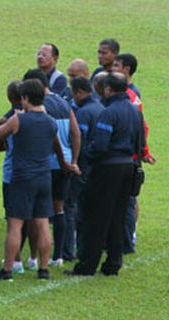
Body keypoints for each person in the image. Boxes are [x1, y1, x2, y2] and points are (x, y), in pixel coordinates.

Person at [0, 79, 77, 281]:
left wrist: (12, 121)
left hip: (22, 177)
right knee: (43, 223)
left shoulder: (18, 119)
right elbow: (56, 144)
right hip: (44, 177)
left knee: (15, 224)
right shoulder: (50, 121)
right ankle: (44, 268)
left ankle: (8, 269)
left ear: (25, 98)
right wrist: (65, 164)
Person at [68, 73, 143, 276]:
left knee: (96, 216)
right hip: (128, 166)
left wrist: (88, 157)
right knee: (118, 215)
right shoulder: (135, 112)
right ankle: (113, 263)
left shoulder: (109, 113)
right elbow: (140, 142)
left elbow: (100, 145)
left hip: (108, 168)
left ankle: (87, 265)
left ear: (109, 89)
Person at [23, 69, 80, 268]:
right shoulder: (64, 102)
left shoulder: (39, 106)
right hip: (63, 164)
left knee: (37, 213)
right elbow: (75, 133)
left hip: (45, 164)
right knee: (59, 209)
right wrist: (72, 160)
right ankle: (58, 256)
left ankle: (35, 257)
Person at [112, 53, 155, 254]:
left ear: (126, 69)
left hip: (126, 156)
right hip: (132, 156)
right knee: (128, 199)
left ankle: (126, 241)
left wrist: (142, 151)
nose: (112, 68)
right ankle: (126, 239)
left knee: (126, 201)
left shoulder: (130, 96)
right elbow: (142, 125)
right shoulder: (133, 97)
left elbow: (140, 126)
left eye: (116, 65)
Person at [69, 76, 105, 260]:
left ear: (80, 93)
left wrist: (76, 162)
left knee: (77, 204)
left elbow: (79, 140)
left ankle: (77, 242)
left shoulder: (83, 112)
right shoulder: (101, 107)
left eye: (73, 94)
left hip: (84, 165)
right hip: (100, 165)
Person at [0, 81, 25, 273]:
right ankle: (34, 260)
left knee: (12, 220)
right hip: (36, 172)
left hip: (12, 172)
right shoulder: (37, 115)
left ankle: (16, 262)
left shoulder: (6, 120)